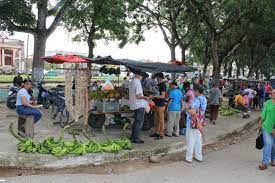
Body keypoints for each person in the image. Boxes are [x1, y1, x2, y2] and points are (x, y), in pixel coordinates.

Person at [184, 84, 207, 163]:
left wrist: (186, 108)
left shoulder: (196, 100)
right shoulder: (204, 99)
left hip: (192, 122)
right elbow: (201, 111)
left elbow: (192, 111)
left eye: (194, 90)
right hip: (200, 121)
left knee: (190, 140)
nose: (193, 92)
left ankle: (189, 157)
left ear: (197, 91)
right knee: (198, 140)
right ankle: (198, 156)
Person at [129, 71, 149, 144]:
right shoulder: (137, 82)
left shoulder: (132, 81)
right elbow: (138, 96)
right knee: (139, 122)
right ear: (139, 75)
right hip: (139, 105)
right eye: (142, 76)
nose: (142, 78)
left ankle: (132, 136)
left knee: (136, 122)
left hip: (134, 104)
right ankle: (136, 139)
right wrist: (146, 97)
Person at [258, 88, 275, 170]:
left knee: (274, 145)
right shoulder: (267, 103)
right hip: (267, 128)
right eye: (272, 92)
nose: (272, 94)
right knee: (268, 144)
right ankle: (265, 163)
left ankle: (273, 160)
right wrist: (260, 124)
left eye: (274, 93)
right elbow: (263, 115)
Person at [150, 73, 167, 140]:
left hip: (160, 105)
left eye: (157, 78)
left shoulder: (163, 85)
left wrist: (153, 96)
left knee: (161, 120)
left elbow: (163, 96)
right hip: (156, 104)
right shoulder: (158, 85)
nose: (156, 79)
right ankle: (157, 132)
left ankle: (161, 134)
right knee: (156, 119)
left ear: (159, 77)